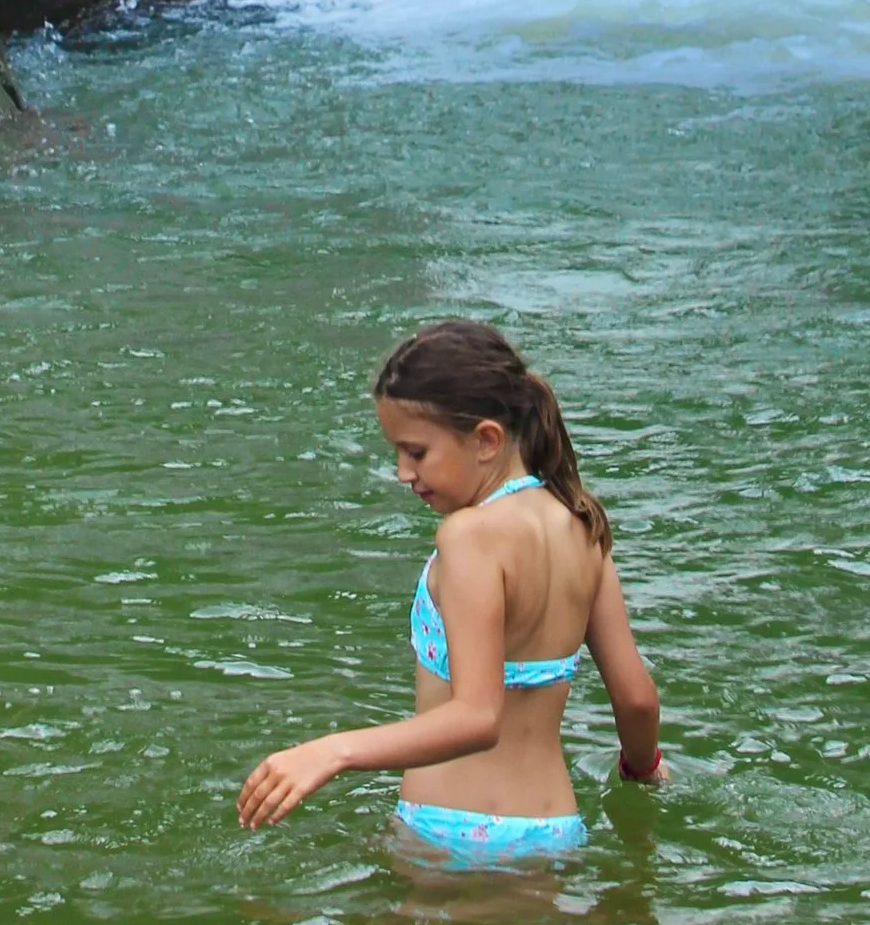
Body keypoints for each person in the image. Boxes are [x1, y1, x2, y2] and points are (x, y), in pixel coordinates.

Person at [238, 318, 663, 866]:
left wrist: (331, 751)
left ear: (486, 440)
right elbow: (636, 698)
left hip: (449, 837)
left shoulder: (469, 536)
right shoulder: (582, 524)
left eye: (415, 453)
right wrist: (641, 769)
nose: (402, 473)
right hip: (554, 832)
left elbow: (477, 717)